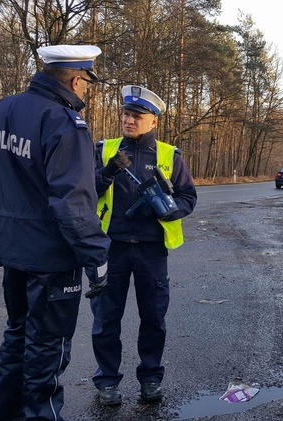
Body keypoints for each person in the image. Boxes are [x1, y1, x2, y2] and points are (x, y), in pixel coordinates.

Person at [0, 45, 111, 421]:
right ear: (77, 79)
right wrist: (96, 256)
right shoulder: (63, 122)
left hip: (12, 253)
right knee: (48, 348)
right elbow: (72, 203)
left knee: (16, 337)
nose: (86, 92)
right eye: (87, 85)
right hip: (52, 258)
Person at [90, 85, 197, 406]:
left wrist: (169, 208)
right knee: (106, 319)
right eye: (126, 114)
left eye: (137, 116)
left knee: (153, 318)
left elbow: (188, 196)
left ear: (153, 122)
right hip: (112, 249)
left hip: (152, 251)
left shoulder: (169, 156)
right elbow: (84, 192)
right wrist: (107, 172)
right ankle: (107, 381)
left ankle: (150, 378)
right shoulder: (104, 150)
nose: (129, 120)